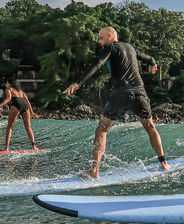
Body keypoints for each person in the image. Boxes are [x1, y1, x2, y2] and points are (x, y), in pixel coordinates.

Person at [63, 26, 169, 179]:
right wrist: (153, 65)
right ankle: (164, 164)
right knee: (151, 127)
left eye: (101, 38)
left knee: (102, 130)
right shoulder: (131, 47)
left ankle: (94, 171)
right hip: (140, 92)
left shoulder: (110, 47)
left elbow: (97, 64)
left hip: (121, 93)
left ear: (110, 35)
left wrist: (78, 83)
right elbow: (149, 58)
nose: (99, 42)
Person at [0, 79, 39, 151]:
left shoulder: (9, 89)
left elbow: (8, 99)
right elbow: (28, 101)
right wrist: (31, 112)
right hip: (25, 105)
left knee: (10, 128)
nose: (6, 84)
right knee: (28, 127)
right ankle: (34, 147)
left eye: (7, 83)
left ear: (10, 84)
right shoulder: (20, 91)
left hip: (17, 105)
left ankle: (6, 148)